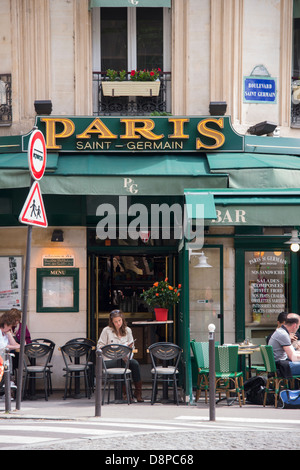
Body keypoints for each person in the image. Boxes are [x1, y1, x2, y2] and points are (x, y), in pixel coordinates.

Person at [97, 309, 144, 402]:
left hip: (124, 358)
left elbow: (132, 346)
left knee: (135, 364)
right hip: (109, 360)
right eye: (116, 321)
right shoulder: (106, 330)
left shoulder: (127, 330)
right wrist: (110, 349)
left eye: (120, 320)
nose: (118, 323)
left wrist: (129, 350)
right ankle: (126, 393)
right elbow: (99, 346)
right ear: (112, 322)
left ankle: (138, 392)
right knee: (123, 364)